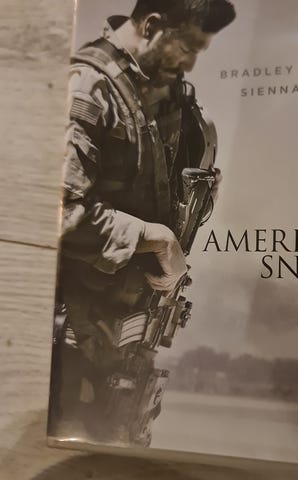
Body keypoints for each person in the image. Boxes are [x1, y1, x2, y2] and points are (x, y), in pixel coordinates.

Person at [49, 0, 236, 445]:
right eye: (187, 48)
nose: (191, 63)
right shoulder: (88, 87)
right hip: (75, 346)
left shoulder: (167, 97)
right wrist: (158, 239)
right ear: (152, 25)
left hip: (127, 343)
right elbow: (62, 212)